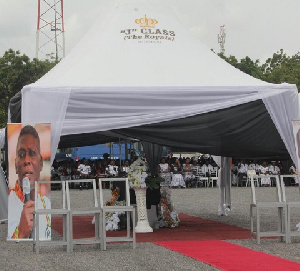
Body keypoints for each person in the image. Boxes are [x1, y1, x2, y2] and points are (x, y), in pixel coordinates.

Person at [8, 125, 50, 240]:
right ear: (16, 165)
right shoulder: (8, 201)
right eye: (22, 154)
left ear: (41, 163)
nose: (27, 161)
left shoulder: (46, 203)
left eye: (32, 153)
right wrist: (21, 233)